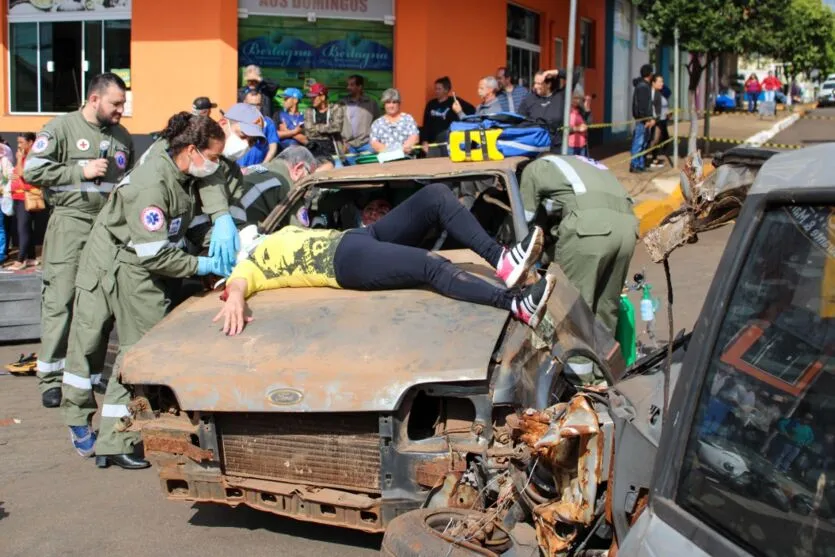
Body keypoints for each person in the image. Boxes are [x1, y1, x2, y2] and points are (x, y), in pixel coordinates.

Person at [60, 112, 232, 469]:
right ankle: (109, 435)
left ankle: (113, 436)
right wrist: (203, 265)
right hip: (129, 259)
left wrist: (221, 219)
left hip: (135, 255)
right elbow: (154, 254)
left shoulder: (176, 161)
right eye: (212, 157)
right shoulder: (151, 185)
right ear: (190, 150)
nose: (215, 165)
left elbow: (204, 189)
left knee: (132, 346)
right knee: (132, 348)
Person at [213, 182, 556, 336]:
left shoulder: (276, 235)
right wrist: (236, 297)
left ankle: (503, 260)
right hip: (344, 262)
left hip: (356, 238)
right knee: (430, 264)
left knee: (436, 196)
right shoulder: (252, 260)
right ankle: (515, 304)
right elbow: (240, 283)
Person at [23, 72, 134, 409]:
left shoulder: (122, 137)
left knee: (99, 303)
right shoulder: (62, 128)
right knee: (61, 300)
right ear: (95, 98)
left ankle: (87, 373)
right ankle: (51, 379)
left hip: (106, 228)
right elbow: (31, 171)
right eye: (116, 104)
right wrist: (79, 171)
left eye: (123, 104)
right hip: (70, 224)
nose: (120, 111)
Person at [519, 154, 638, 332]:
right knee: (606, 306)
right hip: (628, 228)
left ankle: (577, 359)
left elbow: (525, 222)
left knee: (571, 308)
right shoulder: (580, 162)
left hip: (589, 229)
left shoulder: (533, 169)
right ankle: (603, 356)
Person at [235, 146, 316, 226]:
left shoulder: (253, 168)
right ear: (298, 169)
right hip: (240, 231)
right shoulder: (288, 187)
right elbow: (300, 231)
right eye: (309, 175)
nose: (309, 186)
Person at [9, 133, 47, 270]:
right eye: (18, 142)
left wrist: (19, 160)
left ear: (31, 142)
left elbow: (21, 173)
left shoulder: (33, 158)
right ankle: (31, 258)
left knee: (22, 230)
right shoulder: (26, 157)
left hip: (26, 198)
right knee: (26, 229)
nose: (18, 145)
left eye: (21, 142)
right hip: (18, 198)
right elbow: (18, 175)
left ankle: (20, 260)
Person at [421, 76, 475, 157]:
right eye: (435, 88)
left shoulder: (454, 101)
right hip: (433, 143)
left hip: (449, 142)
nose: (436, 91)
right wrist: (424, 141)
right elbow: (425, 124)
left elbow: (472, 110)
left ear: (446, 90)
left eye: (439, 89)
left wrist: (459, 114)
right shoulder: (431, 104)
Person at [518, 70, 566, 153]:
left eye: (539, 83)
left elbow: (574, 75)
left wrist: (554, 72)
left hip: (556, 147)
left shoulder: (560, 96)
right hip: (535, 147)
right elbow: (519, 121)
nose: (535, 86)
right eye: (535, 83)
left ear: (548, 84)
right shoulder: (529, 99)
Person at [369, 88, 420, 154]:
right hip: (385, 160)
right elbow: (374, 143)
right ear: (384, 104)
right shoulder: (377, 123)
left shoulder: (408, 119)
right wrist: (391, 153)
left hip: (406, 158)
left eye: (394, 102)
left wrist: (402, 150)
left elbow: (414, 137)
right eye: (388, 102)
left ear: (399, 104)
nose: (391, 105)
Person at [340, 74, 380, 156]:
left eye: (351, 85)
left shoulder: (371, 103)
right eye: (348, 85)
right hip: (348, 145)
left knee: (370, 167)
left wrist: (374, 140)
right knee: (349, 168)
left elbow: (377, 123)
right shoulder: (342, 103)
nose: (348, 87)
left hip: (367, 144)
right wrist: (342, 141)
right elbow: (337, 123)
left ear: (359, 87)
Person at [237, 90, 279, 165]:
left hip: (257, 170)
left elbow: (273, 148)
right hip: (237, 168)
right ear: (244, 103)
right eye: (251, 105)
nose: (254, 108)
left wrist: (262, 166)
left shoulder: (268, 123)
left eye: (258, 105)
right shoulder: (235, 121)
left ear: (261, 104)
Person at [304, 83, 345, 159]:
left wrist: (316, 128)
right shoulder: (308, 111)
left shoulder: (336, 108)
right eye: (311, 97)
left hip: (333, 149)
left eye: (314, 97)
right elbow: (309, 131)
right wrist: (328, 130)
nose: (311, 99)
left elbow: (337, 127)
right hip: (314, 149)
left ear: (322, 97)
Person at [629, 64, 655, 173]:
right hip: (642, 121)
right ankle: (635, 165)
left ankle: (640, 164)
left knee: (643, 143)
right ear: (649, 74)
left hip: (643, 120)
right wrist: (647, 120)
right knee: (639, 142)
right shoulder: (643, 87)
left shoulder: (643, 85)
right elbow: (643, 106)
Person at [648, 74, 670, 169]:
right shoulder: (652, 93)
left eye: (663, 81)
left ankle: (654, 158)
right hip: (656, 120)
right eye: (660, 81)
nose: (662, 83)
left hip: (663, 119)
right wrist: (652, 119)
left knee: (661, 139)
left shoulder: (660, 93)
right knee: (655, 139)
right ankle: (644, 157)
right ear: (653, 82)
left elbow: (669, 92)